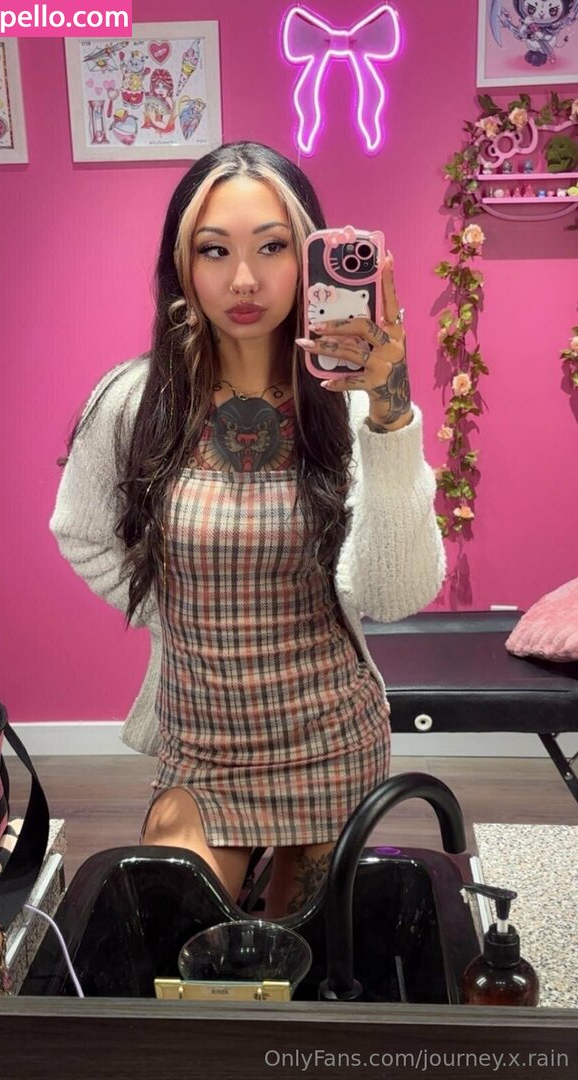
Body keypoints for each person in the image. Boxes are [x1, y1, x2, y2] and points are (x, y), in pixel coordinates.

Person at [50, 141, 445, 918]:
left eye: (271, 247)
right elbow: (83, 532)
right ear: (181, 265)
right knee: (179, 932)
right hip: (202, 749)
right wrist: (170, 611)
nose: (243, 279)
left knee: (304, 956)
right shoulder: (134, 402)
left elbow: (394, 595)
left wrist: (391, 412)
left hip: (330, 741)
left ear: (308, 258)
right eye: (214, 250)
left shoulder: (355, 409)